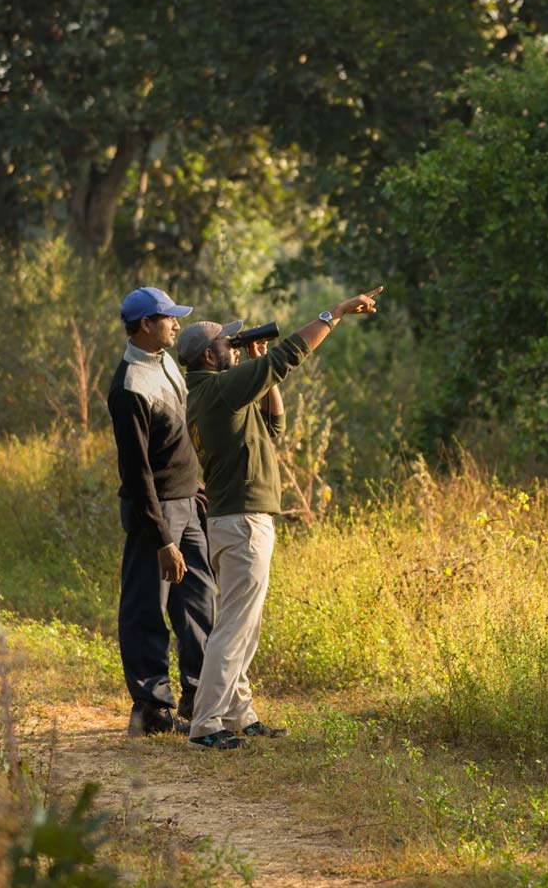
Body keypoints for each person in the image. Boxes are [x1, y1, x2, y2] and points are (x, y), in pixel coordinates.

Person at [178, 287, 383, 749]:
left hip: (234, 520)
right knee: (234, 626)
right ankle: (206, 724)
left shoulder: (211, 393)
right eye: (226, 345)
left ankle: (238, 712)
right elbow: (288, 356)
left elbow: (272, 429)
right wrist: (336, 313)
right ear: (210, 356)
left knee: (241, 623)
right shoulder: (217, 390)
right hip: (243, 521)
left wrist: (258, 366)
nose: (233, 348)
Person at [107, 287, 216, 737]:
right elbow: (137, 474)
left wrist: (195, 487)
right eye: (168, 318)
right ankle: (151, 710)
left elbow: (178, 438)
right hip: (157, 512)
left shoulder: (166, 362)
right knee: (147, 608)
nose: (176, 324)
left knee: (200, 600)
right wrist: (163, 540)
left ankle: (198, 694)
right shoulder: (129, 386)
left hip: (187, 501)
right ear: (146, 324)